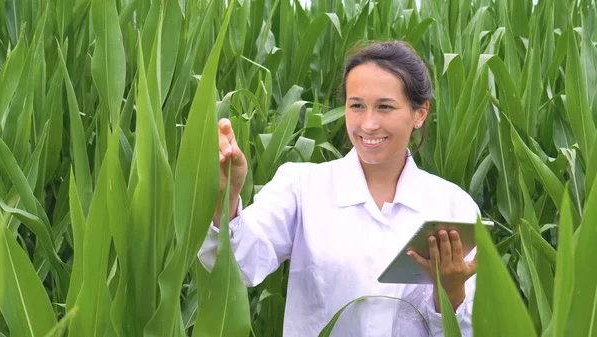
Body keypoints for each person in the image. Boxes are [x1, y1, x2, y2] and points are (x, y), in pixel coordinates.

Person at [199, 41, 479, 337]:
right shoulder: (301, 187)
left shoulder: (453, 206)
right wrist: (225, 195)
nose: (368, 124)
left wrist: (451, 291)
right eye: (356, 105)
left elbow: (471, 330)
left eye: (385, 107)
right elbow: (237, 266)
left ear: (420, 113)